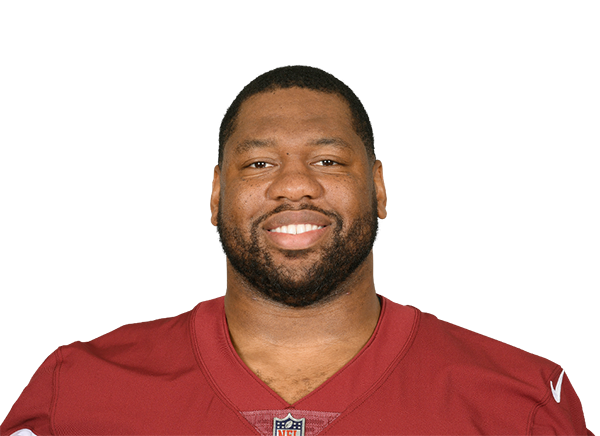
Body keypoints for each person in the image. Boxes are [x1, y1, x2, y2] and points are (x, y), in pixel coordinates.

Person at [0, 65, 592, 436]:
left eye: (328, 160)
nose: (294, 185)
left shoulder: (518, 404)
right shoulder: (75, 394)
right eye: (259, 163)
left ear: (379, 186)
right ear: (215, 193)